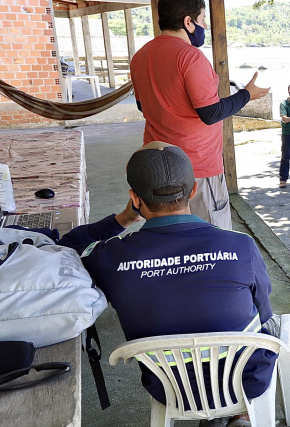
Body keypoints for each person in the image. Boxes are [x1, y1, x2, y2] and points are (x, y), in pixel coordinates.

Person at [62, 142, 276, 424]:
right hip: (244, 382)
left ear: (135, 199)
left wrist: (124, 218)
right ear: (194, 191)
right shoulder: (240, 246)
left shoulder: (110, 257)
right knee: (265, 323)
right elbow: (264, 310)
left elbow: (69, 245)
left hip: (170, 388)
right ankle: (238, 413)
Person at [130, 0, 270, 230]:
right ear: (188, 22)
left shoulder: (141, 56)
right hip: (198, 167)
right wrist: (247, 94)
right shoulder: (190, 57)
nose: (204, 26)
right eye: (202, 20)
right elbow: (211, 113)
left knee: (171, 237)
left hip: (158, 165)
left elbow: (143, 106)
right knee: (212, 238)